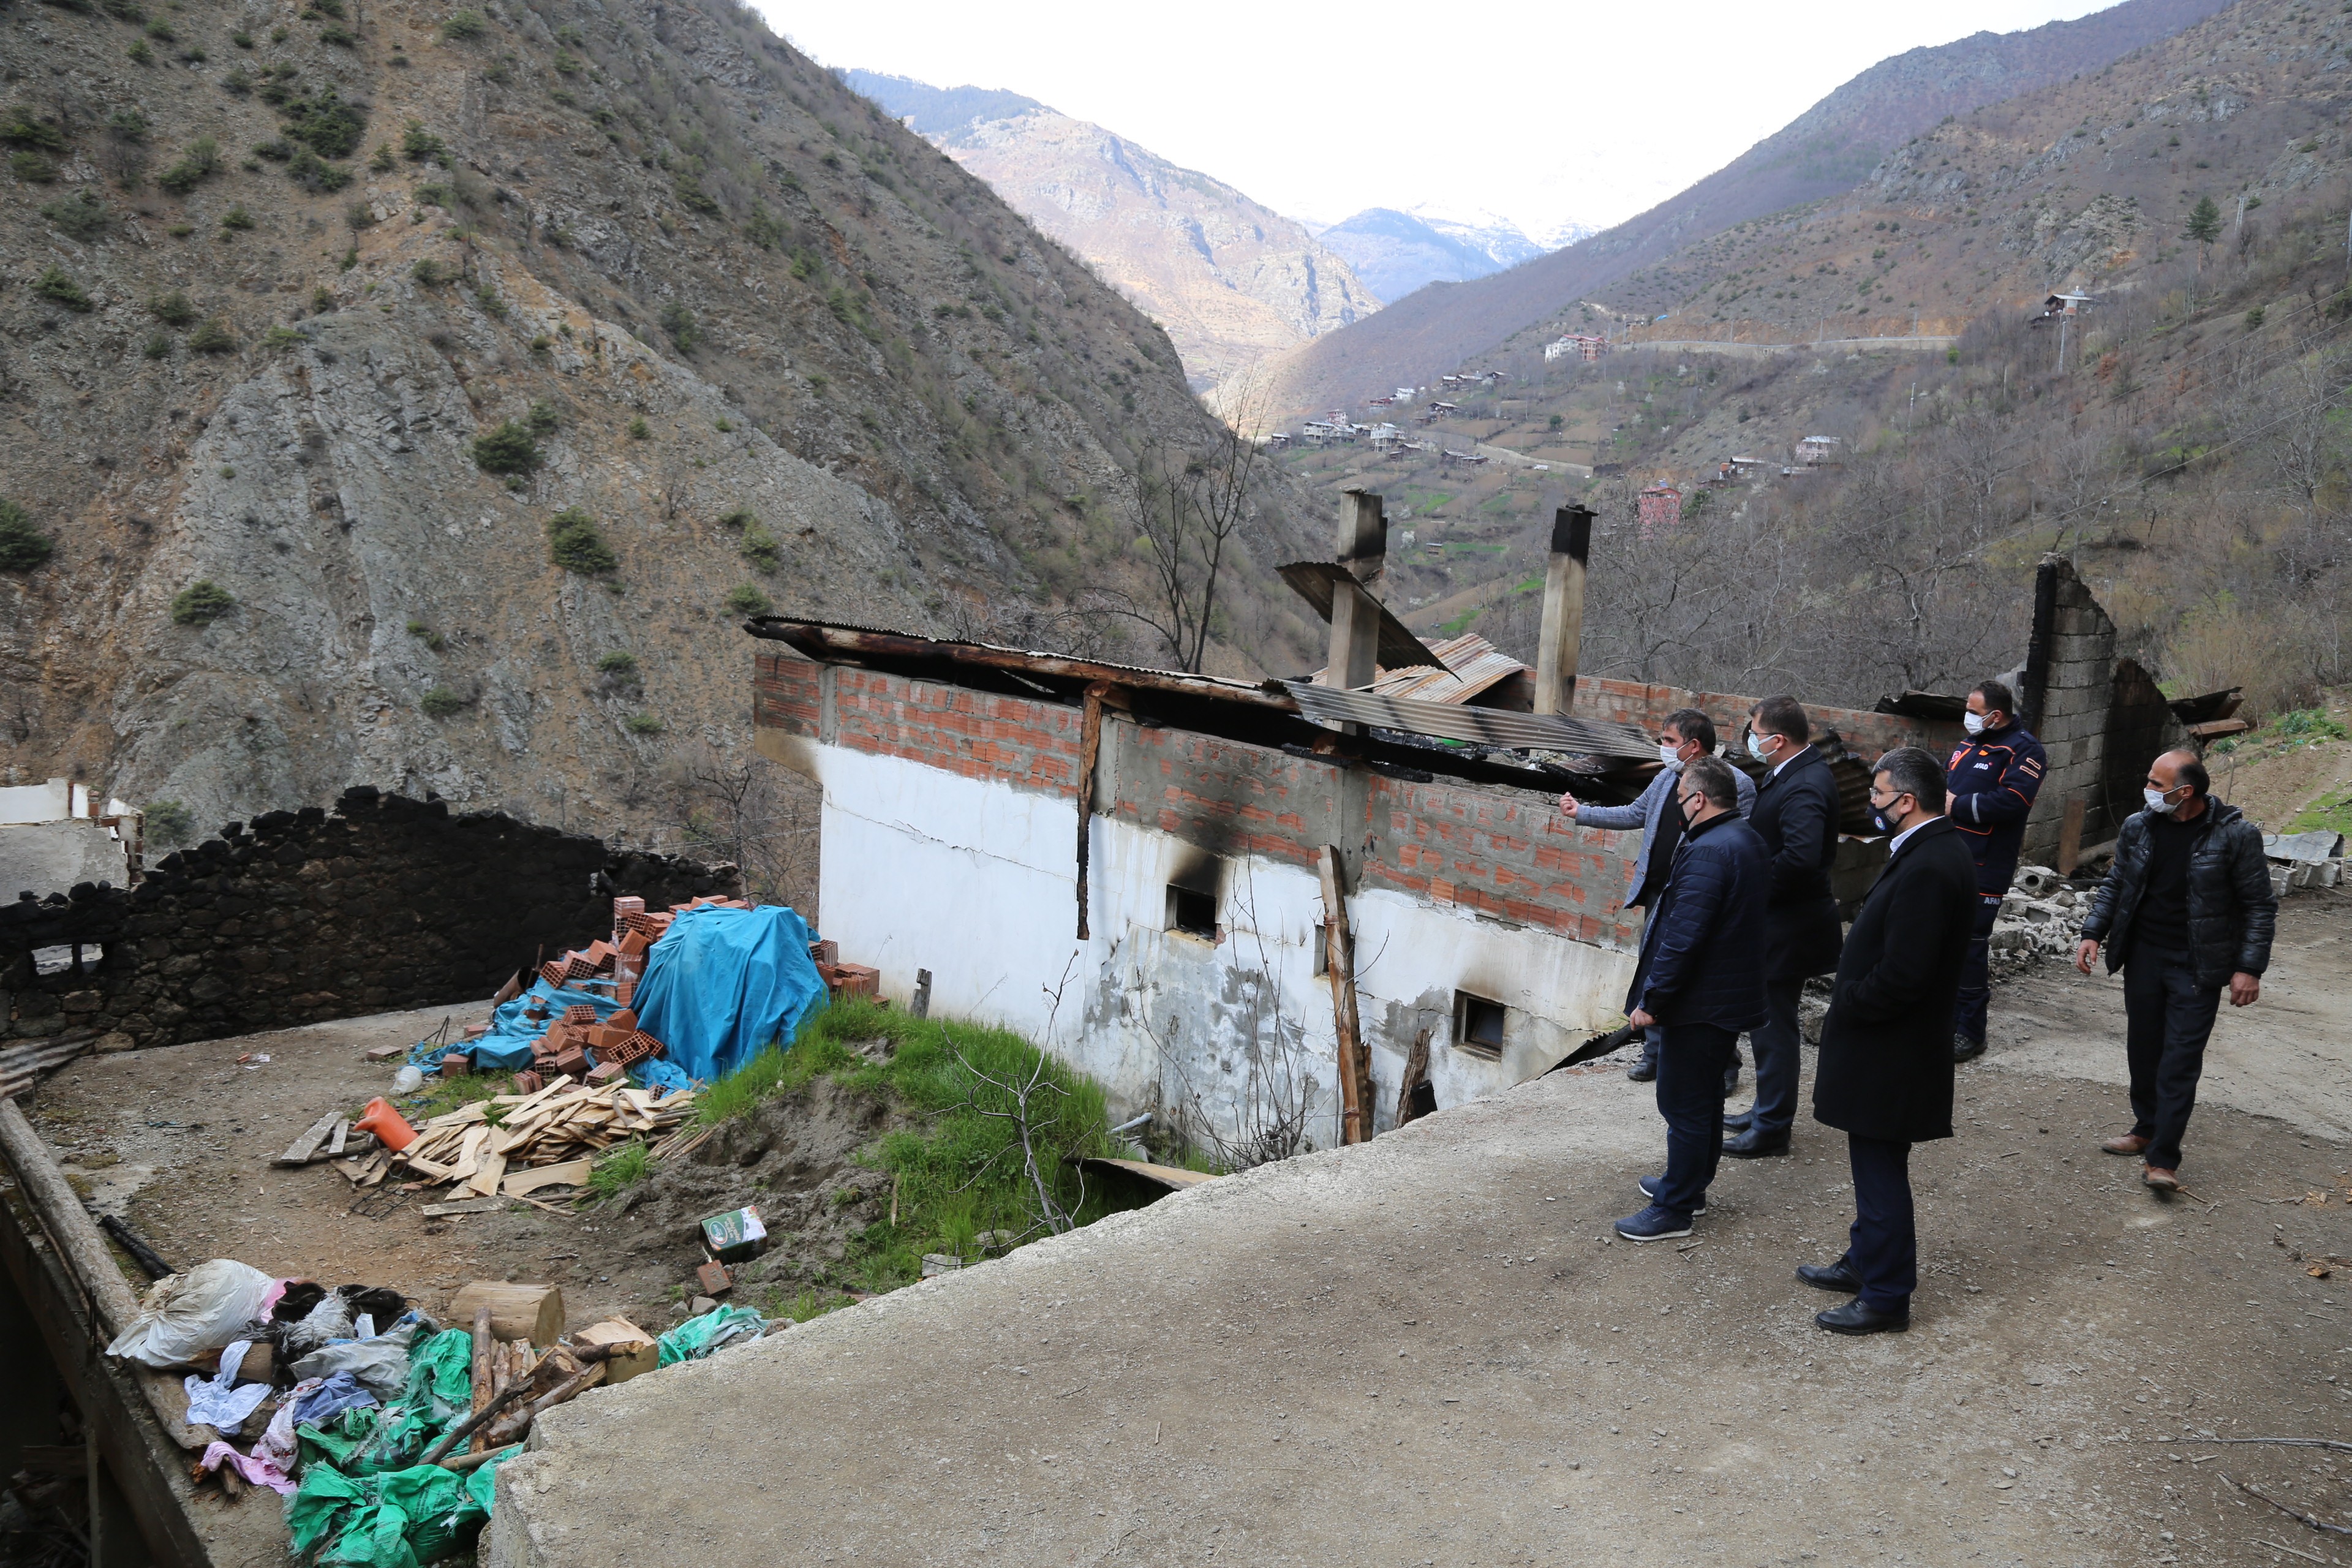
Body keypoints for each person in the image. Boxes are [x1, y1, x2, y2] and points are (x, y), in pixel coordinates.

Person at [1800, 747, 1979, 1335]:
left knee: (1880, 1171)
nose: (1872, 804)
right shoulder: (1931, 850)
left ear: (1906, 801)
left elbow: (1906, 973)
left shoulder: (1931, 864)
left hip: (1892, 1051)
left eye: (1877, 795)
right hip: (1891, 1048)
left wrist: (1849, 1002)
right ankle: (1865, 1261)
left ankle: (1886, 1295)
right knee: (1873, 1162)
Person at [2075, 749, 2275, 1191]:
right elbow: (2117, 882)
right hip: (2144, 956)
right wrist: (2093, 931)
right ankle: (2145, 1128)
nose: (2147, 790)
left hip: (2197, 964)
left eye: (2156, 784)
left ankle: (2163, 1158)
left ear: (2185, 792)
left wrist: (2250, 967)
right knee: (2144, 1049)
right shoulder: (2139, 826)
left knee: (2180, 1060)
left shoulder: (2236, 836)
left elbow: (2259, 905)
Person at [1613, 756, 1771, 1242]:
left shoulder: (1708, 852)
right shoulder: (1746, 838)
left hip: (1701, 1003)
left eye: (1681, 799)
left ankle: (1675, 1207)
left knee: (1681, 1102)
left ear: (1699, 799)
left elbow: (1683, 938)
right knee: (1701, 1099)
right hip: (1726, 996)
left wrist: (1653, 1001)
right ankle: (1691, 1187)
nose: (1678, 808)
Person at [1559, 709, 1755, 1084]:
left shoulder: (1736, 783)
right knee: (1654, 970)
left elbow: (1732, 841)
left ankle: (1724, 1066)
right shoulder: (1667, 776)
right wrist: (1581, 812)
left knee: (1701, 976)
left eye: (1667, 741)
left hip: (1699, 894)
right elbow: (1636, 813)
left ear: (1692, 745)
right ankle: (1655, 1054)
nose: (1662, 748)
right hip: (1659, 892)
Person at [1721, 695, 1842, 1159]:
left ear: (1779, 739)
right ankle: (1767, 1110)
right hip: (1780, 923)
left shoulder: (1807, 783)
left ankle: (1772, 1127)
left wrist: (1752, 885)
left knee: (1774, 1026)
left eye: (1754, 731)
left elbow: (1801, 857)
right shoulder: (1790, 772)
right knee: (1769, 1023)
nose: (1750, 739)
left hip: (1787, 926)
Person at [1945, 679, 2046, 1063]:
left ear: (1996, 714)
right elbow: (1945, 785)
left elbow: (2014, 801)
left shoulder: (2025, 750)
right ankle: (1943, 1019)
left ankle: (1970, 1032)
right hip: (1948, 856)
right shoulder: (1969, 744)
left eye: (1973, 711)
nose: (1967, 717)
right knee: (1941, 941)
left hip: (1985, 865)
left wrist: (1958, 805)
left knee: (1969, 947)